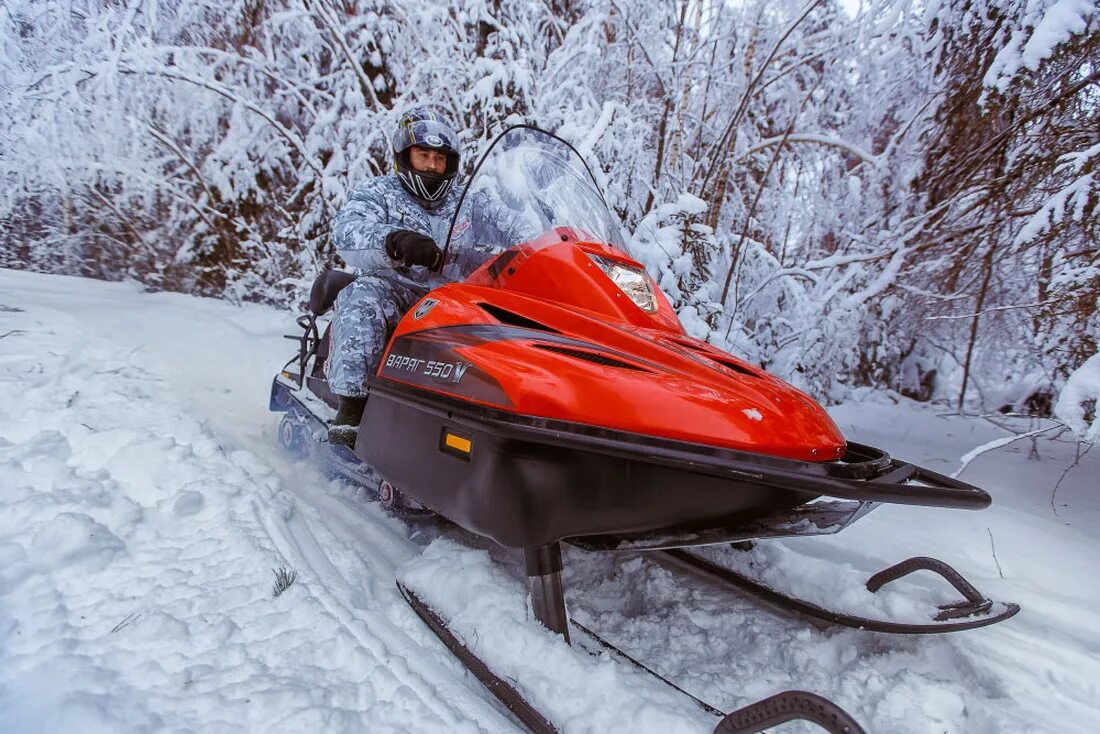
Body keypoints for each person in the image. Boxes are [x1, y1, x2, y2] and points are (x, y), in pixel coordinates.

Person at [326, 107, 463, 446]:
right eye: (423, 155)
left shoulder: (471, 201)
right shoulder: (378, 192)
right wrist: (393, 241)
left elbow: (515, 227)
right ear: (406, 156)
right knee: (363, 295)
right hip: (399, 294)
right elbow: (349, 231)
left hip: (457, 300)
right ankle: (352, 408)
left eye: (439, 157)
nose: (432, 165)